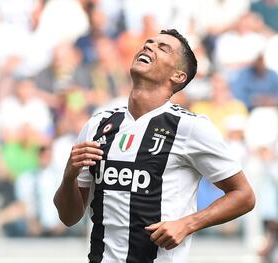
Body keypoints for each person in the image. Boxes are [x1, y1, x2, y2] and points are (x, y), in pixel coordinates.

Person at [54, 29, 255, 263]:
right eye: (148, 42)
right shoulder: (98, 125)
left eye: (163, 48)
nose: (149, 46)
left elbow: (244, 195)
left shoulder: (189, 127)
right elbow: (69, 217)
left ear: (179, 76)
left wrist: (187, 224)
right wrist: (69, 177)